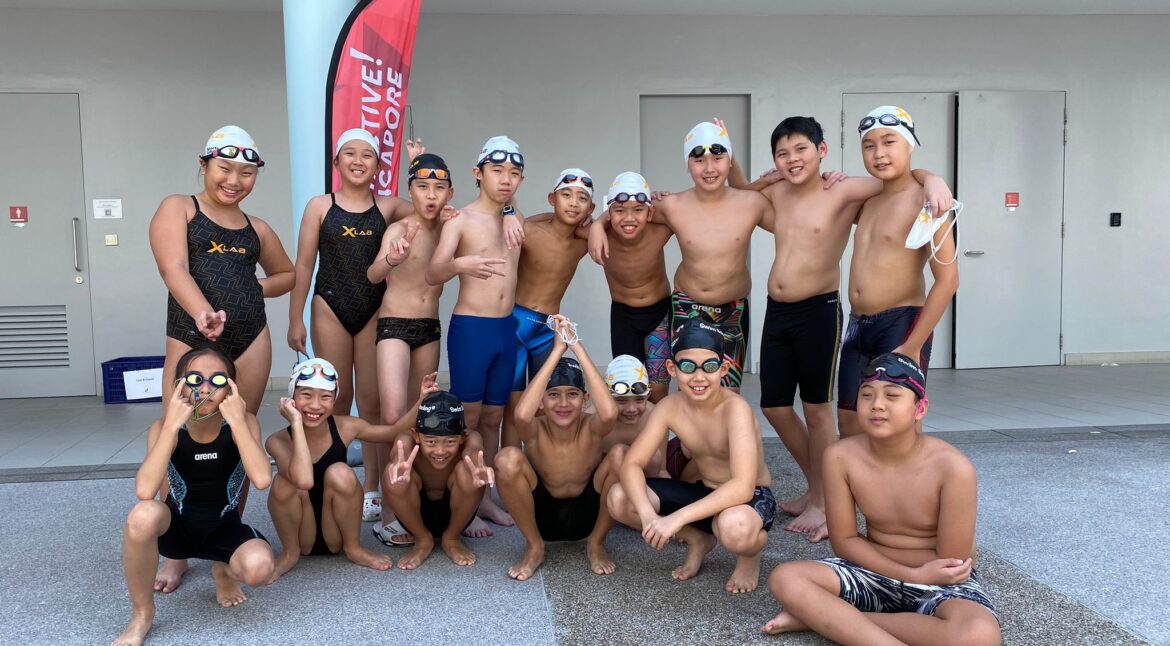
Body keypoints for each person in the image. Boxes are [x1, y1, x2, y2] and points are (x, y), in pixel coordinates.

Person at [726, 115, 952, 542]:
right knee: (777, 406)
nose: (793, 160)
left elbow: (901, 178)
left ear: (822, 150)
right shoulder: (780, 192)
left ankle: (863, 507)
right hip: (787, 311)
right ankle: (822, 487)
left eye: (802, 150)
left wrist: (935, 178)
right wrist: (748, 167)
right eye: (783, 153)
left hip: (828, 309)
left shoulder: (848, 189)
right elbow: (740, 194)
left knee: (827, 411)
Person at [763, 353, 1000, 646]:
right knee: (786, 578)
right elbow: (845, 541)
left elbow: (950, 563)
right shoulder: (841, 456)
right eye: (867, 395)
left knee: (979, 636)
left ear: (920, 408)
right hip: (873, 571)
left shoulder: (953, 468)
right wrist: (909, 572)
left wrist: (919, 574)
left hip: (938, 582)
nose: (877, 404)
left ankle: (829, 621)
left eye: (892, 395)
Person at [149, 125, 293, 594]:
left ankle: (221, 548)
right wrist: (202, 313)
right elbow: (173, 267)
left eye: (246, 172)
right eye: (225, 168)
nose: (234, 180)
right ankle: (175, 552)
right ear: (205, 164)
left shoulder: (257, 228)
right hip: (192, 336)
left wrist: (257, 288)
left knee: (240, 436)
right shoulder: (180, 208)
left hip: (251, 339)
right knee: (181, 433)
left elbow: (286, 274)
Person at [286, 130, 424, 525]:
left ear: (379, 166)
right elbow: (303, 265)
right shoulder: (319, 206)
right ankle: (334, 481)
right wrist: (295, 317)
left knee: (374, 402)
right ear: (337, 162)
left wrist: (419, 162)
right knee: (335, 400)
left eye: (367, 155)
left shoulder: (389, 205)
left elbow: (428, 205)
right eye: (350, 153)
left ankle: (373, 488)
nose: (358, 160)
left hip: (373, 308)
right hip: (329, 305)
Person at [590, 123, 772, 391]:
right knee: (691, 388)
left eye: (719, 158)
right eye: (699, 160)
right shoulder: (673, 206)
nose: (709, 168)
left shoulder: (752, 203)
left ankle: (720, 435)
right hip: (688, 307)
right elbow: (628, 206)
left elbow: (792, 222)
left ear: (729, 161)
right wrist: (597, 223)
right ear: (688, 164)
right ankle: (686, 435)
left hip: (733, 310)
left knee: (728, 393)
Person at [112, 347, 274, 646]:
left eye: (218, 380)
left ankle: (223, 571)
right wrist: (172, 424)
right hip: (177, 529)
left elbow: (263, 478)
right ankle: (142, 615)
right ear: (179, 386)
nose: (206, 387)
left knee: (259, 568)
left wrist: (238, 422)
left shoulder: (245, 422)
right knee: (142, 515)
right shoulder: (163, 428)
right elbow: (145, 491)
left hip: (225, 528)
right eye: (196, 378)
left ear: (231, 389)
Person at [608, 318, 776, 594]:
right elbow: (631, 465)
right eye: (688, 366)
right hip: (704, 491)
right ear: (672, 369)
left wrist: (676, 518)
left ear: (723, 369)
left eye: (709, 367)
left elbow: (743, 485)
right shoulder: (669, 407)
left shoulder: (736, 410)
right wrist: (649, 516)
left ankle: (749, 557)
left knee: (734, 529)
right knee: (620, 498)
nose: (698, 377)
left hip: (749, 498)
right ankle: (698, 539)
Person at [366, 152, 479, 545]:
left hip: (429, 327)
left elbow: (493, 210)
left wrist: (513, 212)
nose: (430, 195)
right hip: (394, 325)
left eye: (439, 187)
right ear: (409, 191)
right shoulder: (399, 228)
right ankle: (390, 514)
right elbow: (373, 272)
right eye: (422, 186)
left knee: (421, 413)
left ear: (450, 192)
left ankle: (413, 500)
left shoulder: (453, 225)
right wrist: (390, 259)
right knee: (395, 415)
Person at [837, 106, 959, 440]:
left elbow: (949, 280)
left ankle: (908, 493)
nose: (879, 153)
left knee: (900, 423)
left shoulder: (928, 202)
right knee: (849, 421)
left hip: (901, 324)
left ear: (909, 144)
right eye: (869, 145)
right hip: (857, 325)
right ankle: (857, 494)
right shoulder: (867, 201)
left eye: (889, 141)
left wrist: (912, 344)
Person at [425, 135, 525, 528]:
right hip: (472, 329)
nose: (506, 180)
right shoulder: (461, 219)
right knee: (468, 418)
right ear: (477, 173)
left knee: (494, 417)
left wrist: (512, 211)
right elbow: (434, 271)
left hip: (505, 329)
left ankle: (483, 497)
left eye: (514, 173)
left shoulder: (512, 218)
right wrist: (460, 264)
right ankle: (463, 497)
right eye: (497, 170)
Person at [494, 315, 621, 579]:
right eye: (553, 395)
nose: (563, 403)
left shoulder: (591, 428)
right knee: (507, 458)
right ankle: (534, 547)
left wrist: (576, 345)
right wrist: (556, 351)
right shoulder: (535, 430)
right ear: (541, 400)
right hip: (542, 517)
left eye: (572, 394)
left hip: (588, 515)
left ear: (585, 399)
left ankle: (596, 543)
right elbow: (520, 416)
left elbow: (609, 413)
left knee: (620, 455)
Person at [266, 358, 412, 581]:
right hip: (301, 536)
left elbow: (392, 432)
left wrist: (422, 400)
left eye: (325, 397)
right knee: (284, 481)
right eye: (306, 395)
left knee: (340, 471)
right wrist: (296, 424)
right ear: (291, 398)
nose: (315, 405)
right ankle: (288, 553)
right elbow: (303, 480)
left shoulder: (345, 426)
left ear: (334, 400)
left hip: (335, 534)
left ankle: (354, 548)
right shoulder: (277, 441)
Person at [500, 168, 593, 448]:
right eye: (566, 195)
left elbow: (614, 219)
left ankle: (543, 466)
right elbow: (509, 207)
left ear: (591, 207)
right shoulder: (529, 230)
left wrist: (598, 226)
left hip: (548, 329)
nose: (573, 203)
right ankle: (510, 461)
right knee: (515, 405)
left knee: (548, 401)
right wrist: (508, 210)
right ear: (552, 198)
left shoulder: (584, 240)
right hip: (516, 324)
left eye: (582, 198)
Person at [383, 389, 495, 569]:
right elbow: (399, 453)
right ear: (416, 435)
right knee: (394, 474)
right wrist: (398, 462)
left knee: (470, 470)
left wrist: (479, 466)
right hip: (414, 514)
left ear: (462, 437)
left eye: (450, 442)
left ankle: (451, 538)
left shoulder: (471, 437)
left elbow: (472, 451)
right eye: (431, 442)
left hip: (456, 514)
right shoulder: (406, 440)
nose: (440, 451)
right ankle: (422, 540)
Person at [589, 172, 674, 402]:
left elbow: (690, 207)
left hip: (660, 316)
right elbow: (554, 223)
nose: (629, 218)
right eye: (619, 210)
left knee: (658, 390)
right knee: (627, 388)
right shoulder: (599, 235)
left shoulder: (660, 230)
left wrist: (663, 199)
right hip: (623, 317)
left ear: (650, 212)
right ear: (610, 211)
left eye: (638, 210)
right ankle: (632, 438)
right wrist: (597, 224)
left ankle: (658, 438)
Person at [598, 354, 668, 478]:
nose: (631, 409)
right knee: (618, 454)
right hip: (603, 486)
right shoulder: (593, 419)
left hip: (641, 485)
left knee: (654, 457)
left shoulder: (657, 417)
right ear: (606, 396)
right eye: (621, 400)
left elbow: (661, 470)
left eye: (639, 400)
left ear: (648, 395)